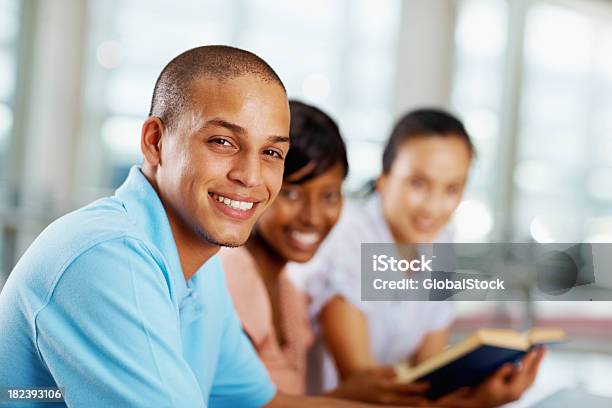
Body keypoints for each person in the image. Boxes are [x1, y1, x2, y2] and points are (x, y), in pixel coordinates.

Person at [0, 46, 372, 408]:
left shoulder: (200, 267)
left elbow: (265, 402)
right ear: (155, 142)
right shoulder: (109, 256)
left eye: (271, 153)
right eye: (223, 142)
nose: (251, 176)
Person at [290, 108, 546, 407]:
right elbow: (368, 388)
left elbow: (429, 374)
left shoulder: (440, 242)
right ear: (384, 178)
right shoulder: (346, 236)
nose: (432, 207)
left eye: (452, 189)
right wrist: (473, 404)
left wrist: (477, 391)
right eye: (418, 184)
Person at [221, 101, 429, 406]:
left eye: (330, 196)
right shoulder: (228, 275)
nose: (313, 217)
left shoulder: (290, 293)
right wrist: (348, 397)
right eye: (291, 193)